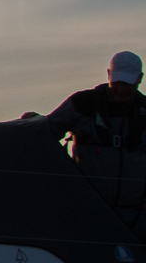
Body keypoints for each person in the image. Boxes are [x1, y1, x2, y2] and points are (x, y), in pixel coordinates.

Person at [41, 51, 146, 226]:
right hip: (89, 209)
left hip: (138, 215)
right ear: (108, 75)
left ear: (140, 79)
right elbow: (48, 132)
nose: (121, 89)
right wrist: (37, 122)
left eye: (127, 83)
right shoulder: (83, 103)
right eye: (117, 82)